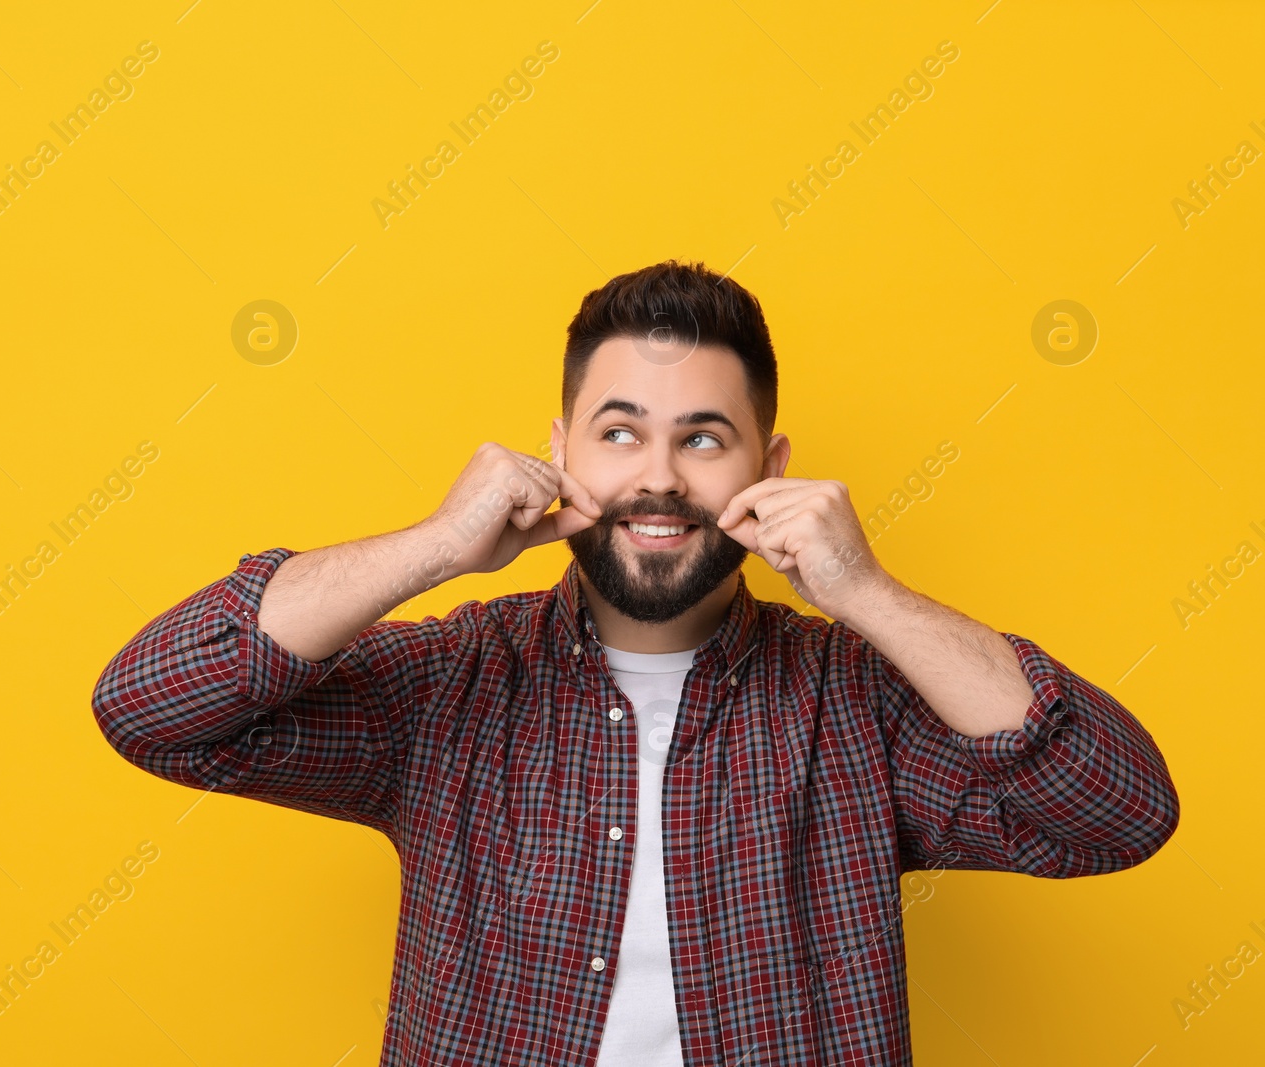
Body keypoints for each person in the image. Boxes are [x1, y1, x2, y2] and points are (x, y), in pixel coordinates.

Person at [91, 259, 1179, 1066]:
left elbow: (1120, 812)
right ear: (558, 448)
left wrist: (870, 595)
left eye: (704, 437)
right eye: (619, 433)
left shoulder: (859, 704)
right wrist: (433, 545)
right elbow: (150, 705)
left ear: (771, 465)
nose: (658, 476)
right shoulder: (442, 690)